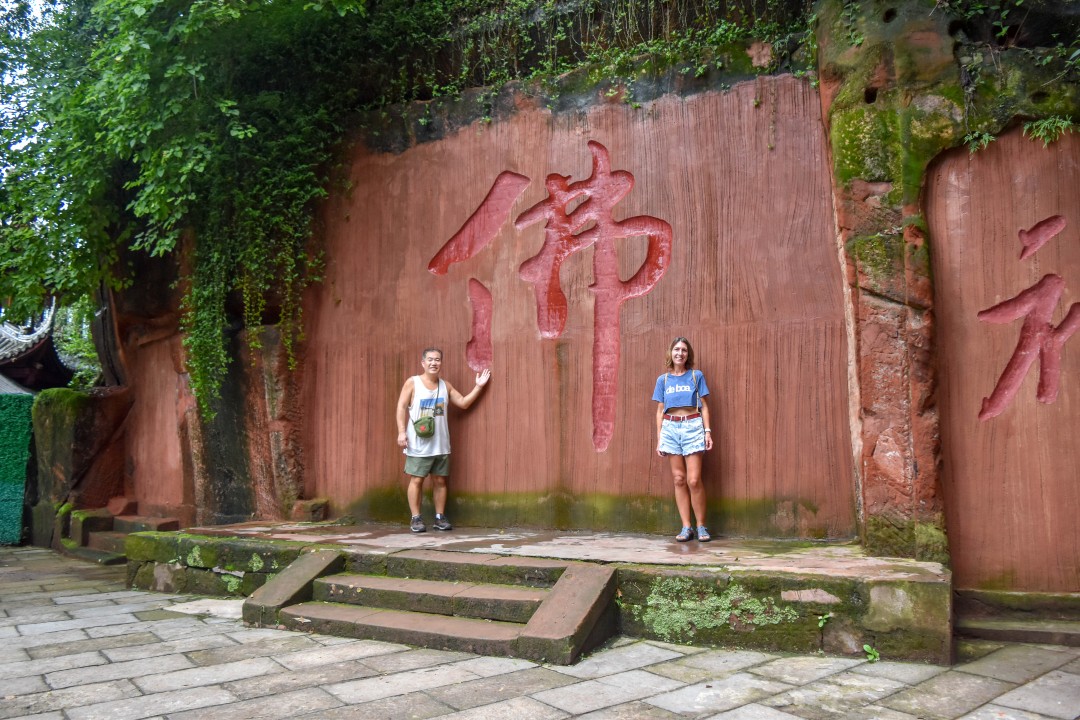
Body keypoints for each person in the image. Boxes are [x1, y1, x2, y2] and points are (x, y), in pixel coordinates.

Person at [396, 347, 491, 533]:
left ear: (441, 363)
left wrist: (479, 386)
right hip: (418, 444)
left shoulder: (445, 386)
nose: (434, 363)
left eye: (437, 359)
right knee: (417, 480)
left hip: (441, 444)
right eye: (430, 359)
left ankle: (440, 517)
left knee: (440, 481)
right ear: (423, 363)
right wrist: (401, 432)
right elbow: (401, 407)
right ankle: (416, 518)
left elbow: (463, 403)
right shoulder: (413, 383)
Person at [652, 336, 714, 542]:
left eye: (684, 350)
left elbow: (704, 406)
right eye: (677, 349)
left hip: (692, 426)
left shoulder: (696, 376)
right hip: (670, 428)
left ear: (688, 355)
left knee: (693, 480)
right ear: (671, 353)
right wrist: (659, 438)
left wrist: (707, 431)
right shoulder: (664, 380)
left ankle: (701, 526)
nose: (680, 353)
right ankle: (686, 527)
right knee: (678, 479)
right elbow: (660, 411)